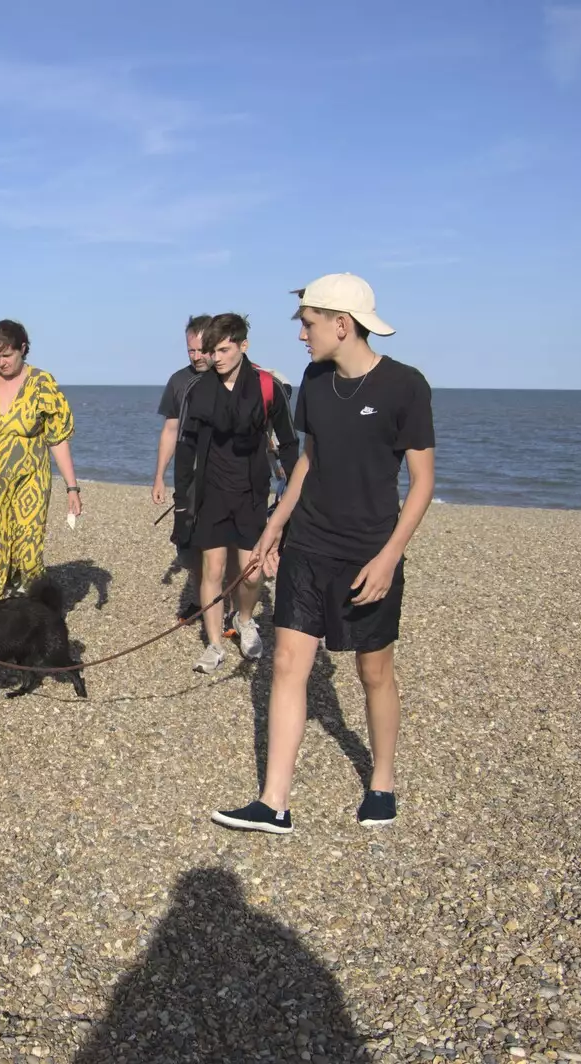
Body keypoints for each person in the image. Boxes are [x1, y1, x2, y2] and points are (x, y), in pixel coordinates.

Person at [213, 274, 435, 835]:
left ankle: (381, 781)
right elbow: (309, 460)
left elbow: (423, 482)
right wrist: (274, 527)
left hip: (368, 552)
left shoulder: (405, 386)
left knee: (373, 670)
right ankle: (274, 802)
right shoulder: (313, 380)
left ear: (343, 324)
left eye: (308, 324)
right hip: (309, 541)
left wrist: (389, 557)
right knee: (288, 664)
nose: (302, 336)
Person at [173, 313, 299, 674]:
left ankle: (244, 619)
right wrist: (182, 502)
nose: (217, 357)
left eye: (225, 349)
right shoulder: (197, 390)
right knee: (211, 569)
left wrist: (293, 492)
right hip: (210, 493)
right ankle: (214, 644)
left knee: (252, 572)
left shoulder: (267, 386)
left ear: (243, 346)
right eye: (211, 351)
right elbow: (185, 447)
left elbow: (289, 442)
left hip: (252, 493)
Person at [0, 320, 80, 600]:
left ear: (23, 348)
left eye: (7, 355)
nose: (1, 362)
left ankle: (35, 612)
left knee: (28, 553)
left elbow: (57, 438)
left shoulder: (43, 384)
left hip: (29, 482)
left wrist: (72, 488)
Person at [153, 314, 217, 614]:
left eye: (202, 349)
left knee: (221, 545)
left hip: (222, 477)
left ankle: (220, 604)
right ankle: (200, 597)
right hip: (187, 478)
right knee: (188, 548)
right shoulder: (179, 381)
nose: (197, 356)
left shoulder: (229, 377)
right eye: (190, 350)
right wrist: (159, 477)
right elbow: (169, 430)